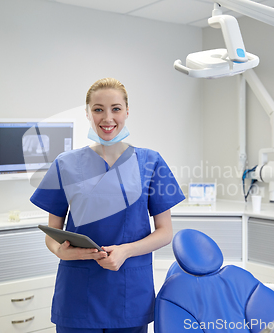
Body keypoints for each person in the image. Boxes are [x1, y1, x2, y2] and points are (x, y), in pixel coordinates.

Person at [30, 78, 185, 333]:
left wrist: (125, 251)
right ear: (88, 113)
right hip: (77, 291)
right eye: (98, 109)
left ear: (126, 112)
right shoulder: (65, 163)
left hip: (128, 290)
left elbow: (165, 232)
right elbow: (52, 232)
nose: (107, 118)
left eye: (115, 108)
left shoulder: (150, 161)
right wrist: (60, 251)